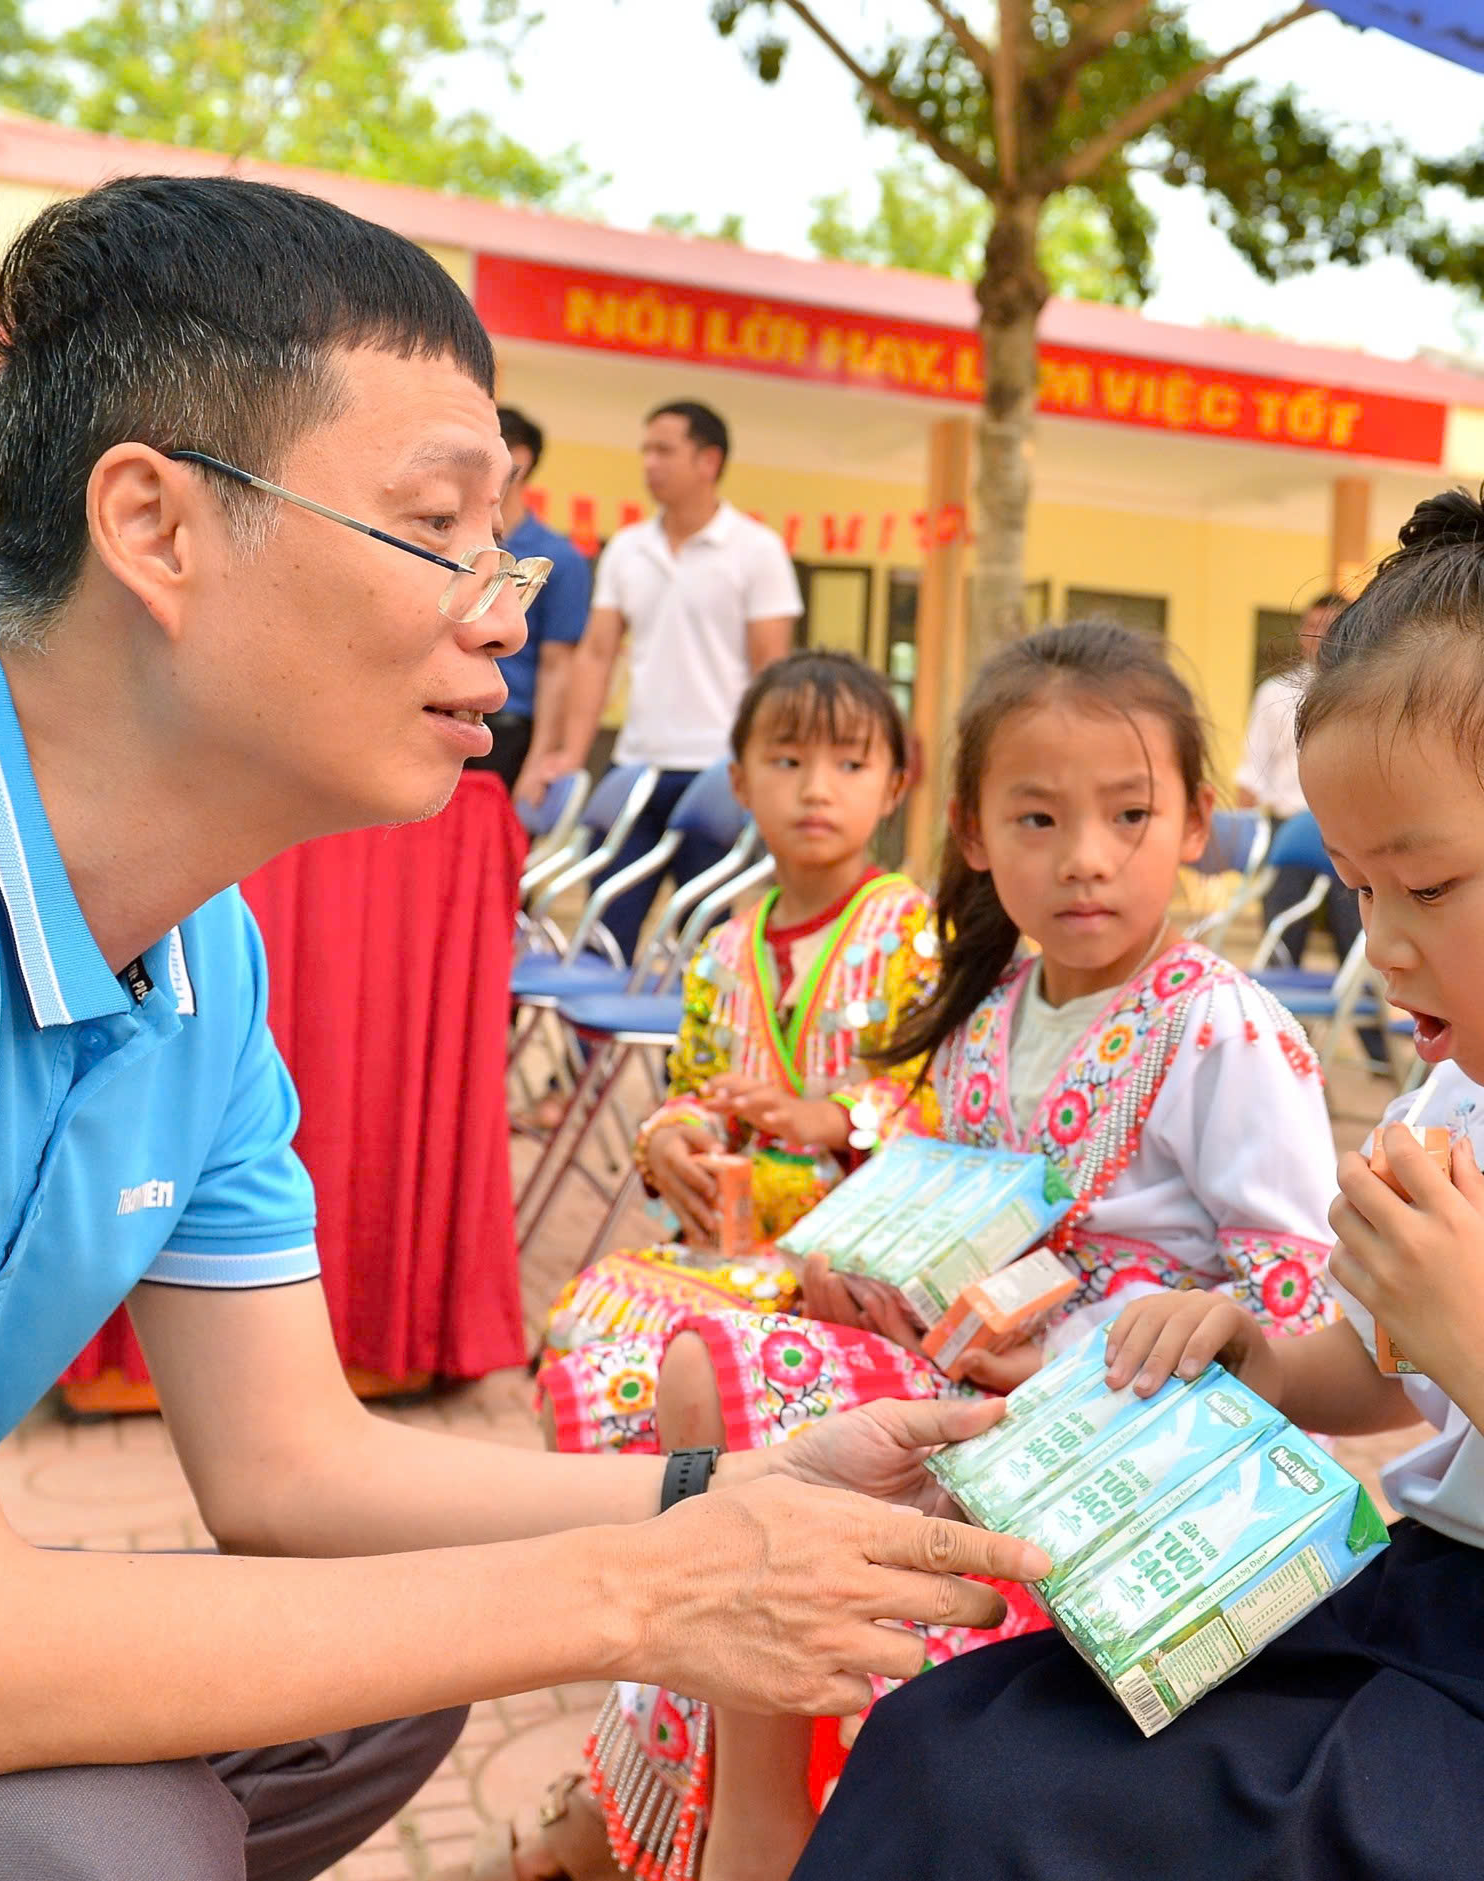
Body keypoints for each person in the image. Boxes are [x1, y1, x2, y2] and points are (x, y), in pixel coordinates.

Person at [0, 175, 1049, 1881]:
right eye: (438, 526)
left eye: (508, 540)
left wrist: (743, 1495)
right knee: (92, 1837)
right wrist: (648, 1592)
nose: (507, 606)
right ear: (158, 528)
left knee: (378, 1670)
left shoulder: (200, 951)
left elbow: (292, 1471)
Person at [795, 468, 1484, 1881]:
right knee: (950, 1752)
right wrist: (1261, 1360)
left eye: (1432, 887)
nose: (1382, 946)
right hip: (1452, 1627)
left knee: (1036, 1821)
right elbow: (1399, 1362)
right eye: (1358, 886)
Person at [507, 623, 1340, 1881]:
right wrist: (867, 1266)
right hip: (958, 1391)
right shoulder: (991, 1010)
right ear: (971, 834)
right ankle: (727, 1812)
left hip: (1113, 1429)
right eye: (1038, 822)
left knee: (719, 1392)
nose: (1085, 861)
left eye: (1127, 815)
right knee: (705, 1375)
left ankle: (742, 1829)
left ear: (1193, 824)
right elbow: (937, 1201)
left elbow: (1294, 1289)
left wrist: (1172, 1330)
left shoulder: (1225, 1031)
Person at [534, 650, 935, 1456]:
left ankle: (718, 1520)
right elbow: (691, 1084)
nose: (817, 788)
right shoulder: (725, 947)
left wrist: (830, 1117)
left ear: (895, 785)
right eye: (787, 762)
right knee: (589, 1313)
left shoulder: (914, 933)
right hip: (731, 1241)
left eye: (850, 764)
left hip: (851, 1262)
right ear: (742, 783)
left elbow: (941, 1092)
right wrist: (672, 1138)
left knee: (700, 1354)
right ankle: (644, 1529)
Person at [536, 401, 801, 959]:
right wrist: (571, 755)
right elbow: (596, 656)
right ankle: (595, 1050)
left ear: (709, 461)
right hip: (635, 768)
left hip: (716, 776)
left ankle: (692, 1050)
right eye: (645, 450)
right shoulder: (627, 549)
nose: (649, 463)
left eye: (664, 450)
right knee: (602, 934)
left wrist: (765, 770)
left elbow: (771, 674)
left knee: (701, 952)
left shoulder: (758, 551)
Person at [1238, 592, 1384, 1064]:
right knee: (1284, 941)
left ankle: (1378, 1049)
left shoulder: (1365, 697)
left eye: (1332, 626)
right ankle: (1285, 1051)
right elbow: (1249, 772)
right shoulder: (1275, 694)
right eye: (1313, 625)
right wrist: (1248, 846)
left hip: (1349, 835)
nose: (1320, 636)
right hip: (1290, 830)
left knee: (1358, 940)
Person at [482, 406, 592, 793]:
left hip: (506, 732)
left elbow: (557, 668)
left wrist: (538, 760)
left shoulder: (559, 559)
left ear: (520, 461)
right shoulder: (455, 540)